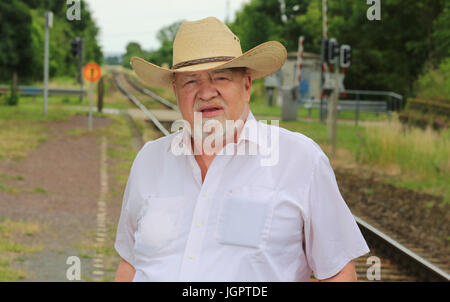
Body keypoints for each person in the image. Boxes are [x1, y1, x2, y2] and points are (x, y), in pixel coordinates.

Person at [114, 16, 369, 282]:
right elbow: (129, 263)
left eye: (220, 78)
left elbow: (338, 271)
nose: (206, 93)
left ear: (246, 86)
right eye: (190, 82)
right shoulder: (148, 160)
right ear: (176, 92)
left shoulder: (301, 160)